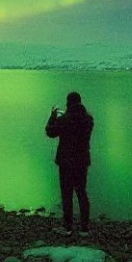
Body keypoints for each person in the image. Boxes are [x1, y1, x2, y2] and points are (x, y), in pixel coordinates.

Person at [45, 91, 94, 236]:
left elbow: (50, 132)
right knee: (81, 192)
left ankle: (68, 227)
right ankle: (84, 228)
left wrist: (52, 116)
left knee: (67, 194)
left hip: (66, 161)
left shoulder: (64, 119)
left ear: (68, 103)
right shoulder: (88, 119)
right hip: (82, 161)